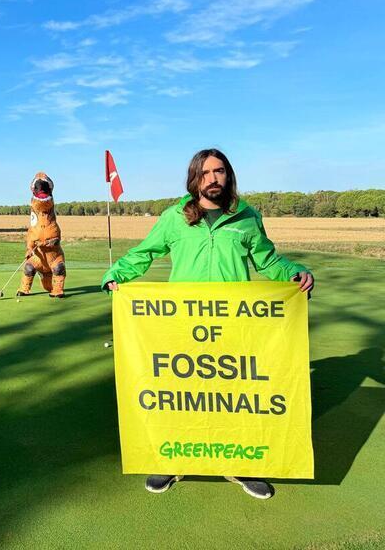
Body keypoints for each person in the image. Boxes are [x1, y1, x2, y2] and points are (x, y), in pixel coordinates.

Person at [102, 148, 314, 500]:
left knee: (234, 395)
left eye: (219, 171)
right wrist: (116, 275)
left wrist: (293, 273)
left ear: (228, 175)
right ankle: (171, 460)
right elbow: (144, 253)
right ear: (194, 179)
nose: (213, 178)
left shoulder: (247, 217)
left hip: (234, 325)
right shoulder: (174, 217)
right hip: (183, 323)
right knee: (181, 393)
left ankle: (240, 464)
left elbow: (268, 259)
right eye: (205, 173)